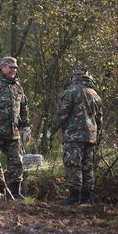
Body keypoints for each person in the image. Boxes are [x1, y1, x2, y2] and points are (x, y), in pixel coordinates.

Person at [47, 67, 103, 205]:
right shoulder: (95, 94)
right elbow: (100, 119)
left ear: (73, 78)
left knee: (73, 165)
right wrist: (97, 134)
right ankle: (86, 198)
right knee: (87, 166)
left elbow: (62, 114)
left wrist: (51, 131)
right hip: (91, 136)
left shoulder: (70, 92)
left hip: (74, 136)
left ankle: (74, 197)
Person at [0, 56, 31, 199]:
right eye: (10, 67)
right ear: (2, 67)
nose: (13, 70)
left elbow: (23, 107)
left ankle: (16, 192)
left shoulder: (18, 87)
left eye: (15, 68)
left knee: (16, 162)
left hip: (13, 133)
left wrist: (27, 126)